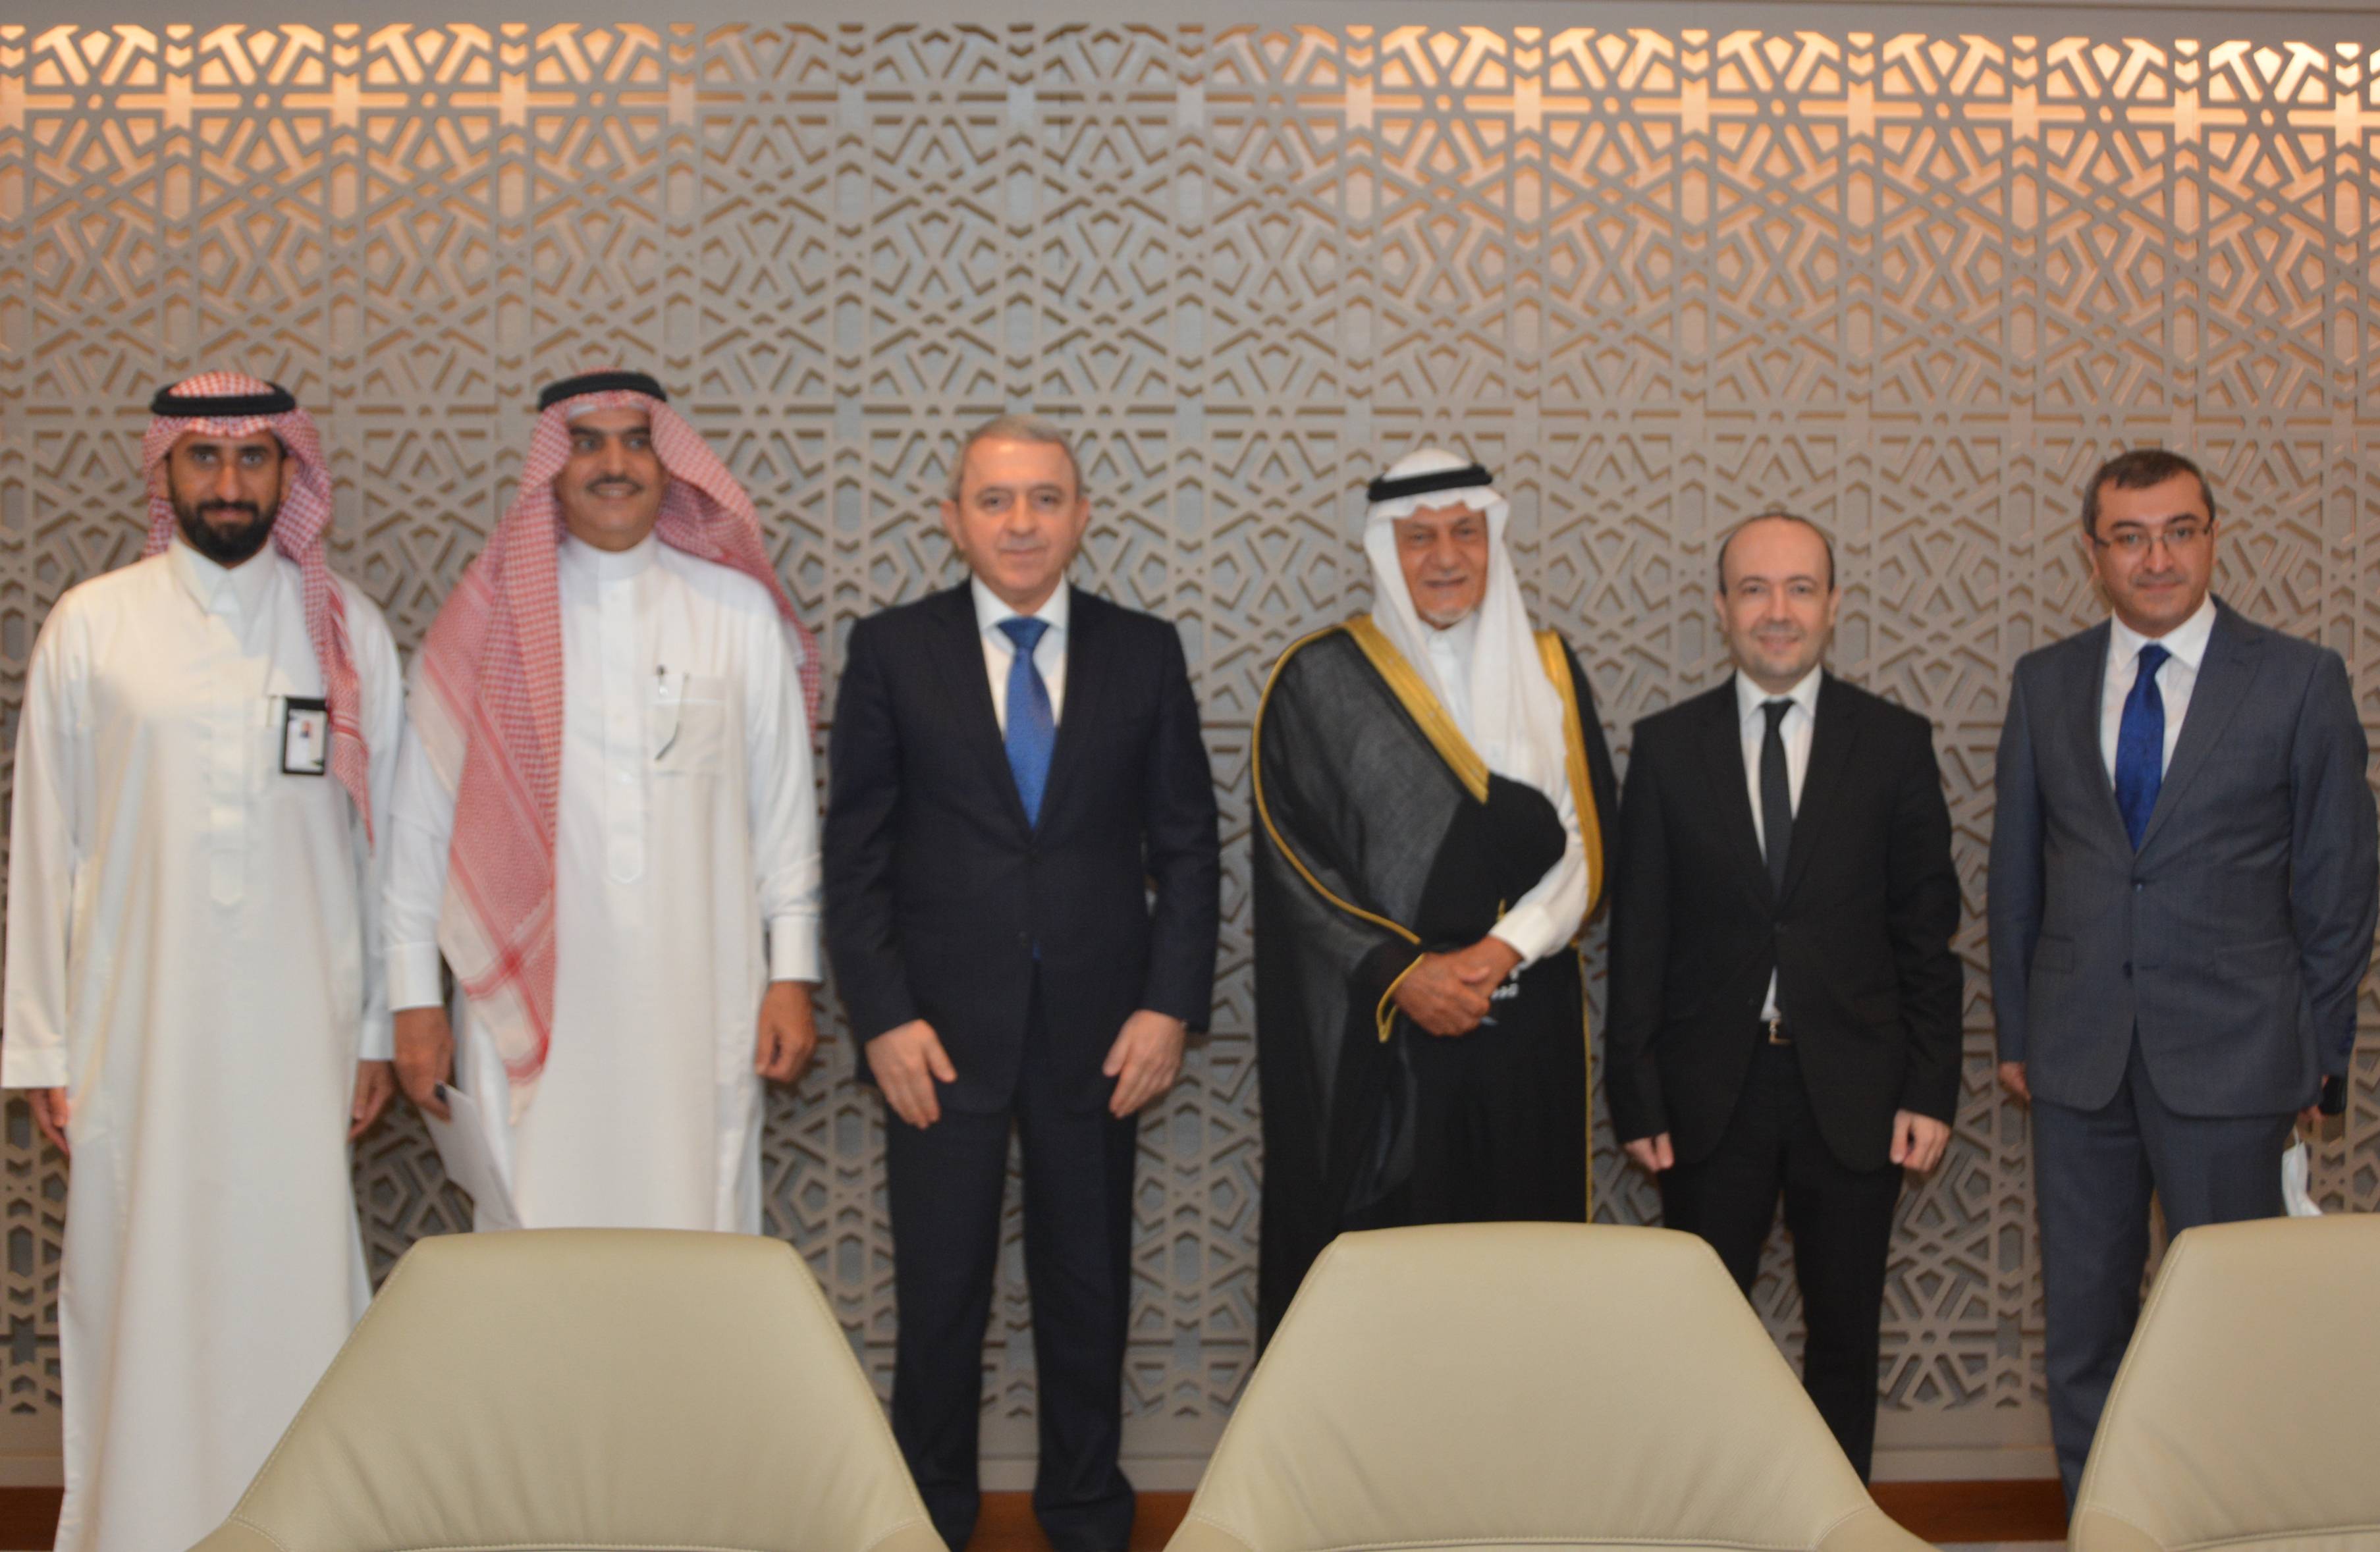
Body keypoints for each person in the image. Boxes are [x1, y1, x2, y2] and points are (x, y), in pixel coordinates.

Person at [2, 372, 403, 1552]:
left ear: (289, 473)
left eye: (253, 458)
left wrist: (377, 1027)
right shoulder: (94, 626)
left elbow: (385, 854)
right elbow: (44, 845)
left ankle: (305, 1530)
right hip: (134, 1030)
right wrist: (42, 1044)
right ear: (165, 469)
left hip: (303, 1032)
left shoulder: (345, 633)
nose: (229, 481)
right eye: (205, 457)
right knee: (142, 1280)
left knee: (296, 1284)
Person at [823, 414, 1219, 1552]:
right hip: (935, 1035)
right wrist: (882, 1017)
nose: (1020, 522)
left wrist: (1168, 1005)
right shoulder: (891, 650)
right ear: (952, 520)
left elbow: (1188, 846)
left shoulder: (1145, 651)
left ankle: (1087, 1515)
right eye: (994, 499)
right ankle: (927, 1516)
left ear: (1081, 517)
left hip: (1103, 1030)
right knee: (940, 1294)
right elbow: (854, 855)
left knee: (1087, 1290)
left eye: (1045, 498)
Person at [1988, 448, 2377, 1502]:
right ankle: (2103, 1520)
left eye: (2178, 531)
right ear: (2093, 553)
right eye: (2129, 536)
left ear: (2211, 537)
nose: (2155, 557)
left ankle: (2227, 1519)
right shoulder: (2044, 682)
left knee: (2234, 1326)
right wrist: (2017, 1032)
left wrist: (2317, 1050)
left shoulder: (2298, 679)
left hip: (2238, 1060)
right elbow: (2015, 874)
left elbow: (2339, 884)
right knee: (2084, 1328)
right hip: (2077, 1060)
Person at [385, 369, 825, 1233]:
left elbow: (782, 811)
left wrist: (793, 974)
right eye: (586, 443)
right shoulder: (486, 624)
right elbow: (419, 829)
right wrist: (411, 996)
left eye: (636, 442)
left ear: (671, 467)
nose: (613, 464)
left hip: (702, 991)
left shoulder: (736, 613)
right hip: (535, 1007)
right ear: (551, 467)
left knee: (692, 1225)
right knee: (536, 1234)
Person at [1606, 510, 1961, 1481]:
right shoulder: (1666, 747)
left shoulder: (1893, 743)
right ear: (1721, 608)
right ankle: (1708, 1521)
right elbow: (1639, 937)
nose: (1777, 611)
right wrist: (1634, 1091)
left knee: (1844, 1337)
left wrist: (1931, 1085)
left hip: (1854, 1090)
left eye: (1800, 588)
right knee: (1700, 1336)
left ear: (1833, 605)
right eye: (1754, 589)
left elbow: (1926, 935)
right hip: (1706, 1094)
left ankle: (1833, 1523)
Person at [1251, 448, 1618, 1343]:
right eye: (1419, 538)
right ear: (1386, 550)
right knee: (1390, 1296)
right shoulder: (1319, 679)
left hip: (1525, 1023)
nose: (1445, 556)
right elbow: (1295, 864)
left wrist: (1501, 950)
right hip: (1391, 1037)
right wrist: (1406, 974)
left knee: (1522, 1283)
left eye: (1465, 532)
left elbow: (1588, 842)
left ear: (1493, 542)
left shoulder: (1549, 668)